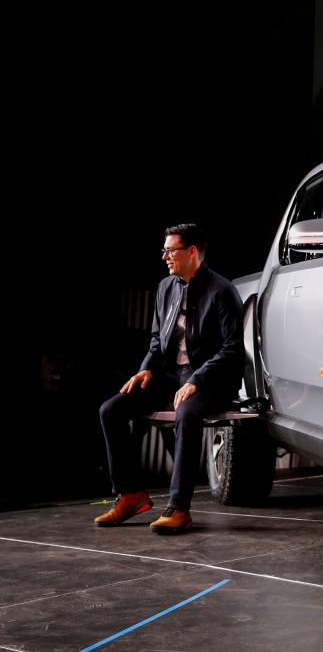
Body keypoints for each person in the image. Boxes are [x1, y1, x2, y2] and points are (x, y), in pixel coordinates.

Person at [94, 224, 244, 534]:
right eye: (163, 250)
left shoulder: (223, 290)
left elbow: (232, 349)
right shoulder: (166, 287)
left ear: (191, 252)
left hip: (212, 378)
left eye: (171, 250)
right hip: (170, 374)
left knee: (186, 412)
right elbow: (155, 338)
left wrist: (197, 379)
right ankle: (130, 494)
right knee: (111, 409)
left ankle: (179, 508)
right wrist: (147, 368)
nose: (165, 256)